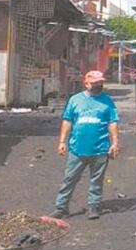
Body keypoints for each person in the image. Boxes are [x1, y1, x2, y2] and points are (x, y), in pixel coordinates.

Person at [51, 71, 120, 220]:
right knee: (69, 179)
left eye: (100, 83)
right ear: (86, 83)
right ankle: (61, 207)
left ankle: (94, 206)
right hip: (77, 149)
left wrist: (115, 143)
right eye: (95, 83)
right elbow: (67, 120)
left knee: (97, 180)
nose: (98, 86)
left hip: (100, 149)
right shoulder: (75, 100)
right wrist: (62, 142)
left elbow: (112, 123)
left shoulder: (107, 101)